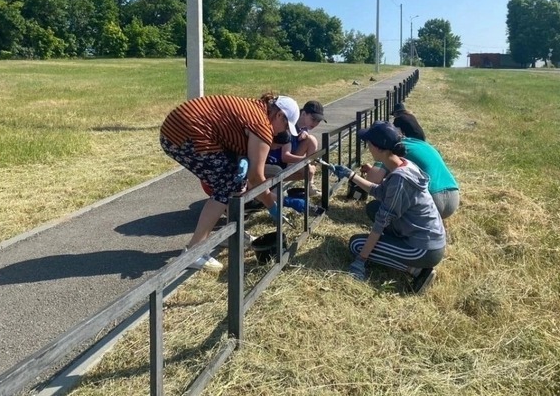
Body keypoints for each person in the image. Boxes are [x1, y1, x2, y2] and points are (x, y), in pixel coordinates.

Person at [160, 93, 300, 271]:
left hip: (178, 128)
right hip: (185, 133)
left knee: (235, 182)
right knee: (226, 186)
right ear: (279, 115)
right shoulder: (262, 125)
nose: (283, 132)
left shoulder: (257, 108)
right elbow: (256, 177)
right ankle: (193, 253)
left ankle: (232, 234)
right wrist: (272, 206)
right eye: (285, 126)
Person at [332, 121, 446, 294]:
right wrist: (351, 175)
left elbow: (381, 223)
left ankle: (417, 270)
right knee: (374, 208)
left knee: (356, 244)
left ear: (379, 148)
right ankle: (406, 257)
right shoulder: (404, 164)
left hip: (423, 249)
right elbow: (380, 192)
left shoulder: (400, 179)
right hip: (427, 237)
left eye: (369, 143)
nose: (368, 146)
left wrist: (361, 260)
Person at [360, 136, 460, 219]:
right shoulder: (419, 143)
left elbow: (373, 181)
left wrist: (366, 173)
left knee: (374, 207)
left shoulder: (389, 152)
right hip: (454, 197)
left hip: (432, 201)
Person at [266, 100, 327, 194]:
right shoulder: (287, 126)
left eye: (318, 121)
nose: (315, 123)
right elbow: (285, 156)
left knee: (312, 140)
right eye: (313, 119)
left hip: (290, 159)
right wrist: (307, 160)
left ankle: (310, 184)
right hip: (278, 162)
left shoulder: (305, 127)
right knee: (309, 169)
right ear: (303, 114)